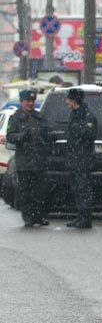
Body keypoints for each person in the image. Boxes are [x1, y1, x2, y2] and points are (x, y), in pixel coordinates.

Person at [6, 89, 49, 227]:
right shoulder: (16, 118)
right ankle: (28, 217)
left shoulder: (39, 117)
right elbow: (10, 136)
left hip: (39, 160)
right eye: (27, 101)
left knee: (39, 191)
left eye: (32, 101)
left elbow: (47, 133)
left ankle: (38, 216)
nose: (30, 103)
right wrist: (22, 136)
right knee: (25, 191)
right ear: (22, 102)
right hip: (24, 161)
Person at [64, 88, 97, 229]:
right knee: (77, 189)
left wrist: (76, 129)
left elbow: (88, 134)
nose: (66, 102)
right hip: (74, 159)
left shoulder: (87, 116)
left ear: (74, 100)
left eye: (68, 99)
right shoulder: (74, 114)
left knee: (83, 189)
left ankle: (85, 218)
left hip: (83, 159)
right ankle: (80, 215)